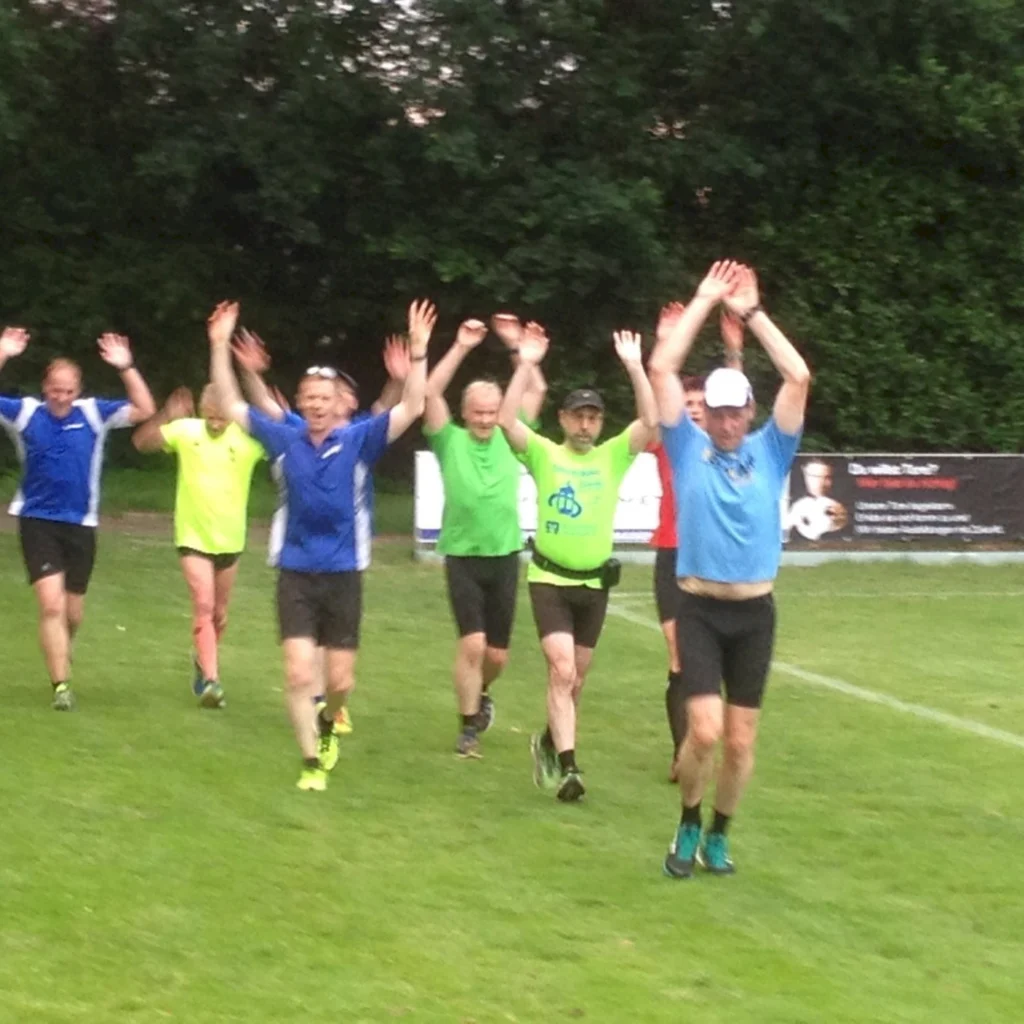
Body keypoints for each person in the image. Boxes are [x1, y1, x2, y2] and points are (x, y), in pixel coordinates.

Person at [208, 298, 436, 792]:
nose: (314, 404)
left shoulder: (360, 440)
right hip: (294, 572)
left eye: (323, 397)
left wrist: (419, 355)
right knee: (296, 674)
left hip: (344, 574)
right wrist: (218, 345)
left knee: (340, 684)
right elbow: (230, 404)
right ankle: (311, 761)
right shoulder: (284, 437)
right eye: (306, 396)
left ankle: (331, 721)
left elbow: (413, 406)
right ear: (299, 401)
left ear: (340, 403)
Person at [649, 261, 810, 878]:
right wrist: (702, 298)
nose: (726, 421)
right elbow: (661, 368)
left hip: (755, 613)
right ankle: (689, 819)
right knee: (707, 733)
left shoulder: (773, 448)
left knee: (742, 743)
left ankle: (720, 833)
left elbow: (798, 375)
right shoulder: (687, 448)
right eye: (716, 412)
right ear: (706, 414)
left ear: (748, 408)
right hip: (700, 609)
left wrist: (753, 313)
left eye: (735, 410)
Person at [499, 323, 658, 802]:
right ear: (563, 420)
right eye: (578, 417)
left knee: (576, 679)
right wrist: (525, 362)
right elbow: (507, 422)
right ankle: (569, 769)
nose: (586, 425)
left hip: (594, 585)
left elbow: (651, 422)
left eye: (593, 417)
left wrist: (635, 367)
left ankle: (549, 740)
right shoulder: (546, 454)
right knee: (562, 671)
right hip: (549, 579)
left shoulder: (612, 458)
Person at [231, 328, 411, 735]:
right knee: (304, 649)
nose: (330, 399)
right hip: (299, 555)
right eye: (316, 394)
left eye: (338, 393)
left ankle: (329, 705)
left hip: (345, 552)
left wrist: (400, 378)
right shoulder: (296, 429)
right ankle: (313, 706)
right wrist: (251, 374)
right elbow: (262, 407)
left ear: (345, 401)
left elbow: (391, 408)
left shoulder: (360, 433)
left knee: (337, 660)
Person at [0, 327, 156, 709]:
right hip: (37, 519)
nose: (61, 397)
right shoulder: (25, 413)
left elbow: (145, 409)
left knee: (71, 612)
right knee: (50, 605)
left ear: (78, 389)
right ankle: (61, 686)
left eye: (68, 390)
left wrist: (126, 367)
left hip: (81, 523)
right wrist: (3, 352)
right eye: (55, 389)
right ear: (45, 386)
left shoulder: (93, 414)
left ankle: (61, 652)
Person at [422, 313, 547, 759]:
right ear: (464, 413)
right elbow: (429, 392)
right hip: (462, 555)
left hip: (504, 555)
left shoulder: (511, 437)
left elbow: (536, 391)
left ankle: (481, 695)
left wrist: (520, 350)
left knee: (497, 656)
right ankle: (467, 729)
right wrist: (460, 346)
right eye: (476, 413)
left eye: (492, 413)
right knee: (472, 643)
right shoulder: (448, 440)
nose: (484, 420)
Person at [650, 303, 745, 782]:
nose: (691, 413)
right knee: (677, 653)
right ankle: (680, 749)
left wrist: (733, 350)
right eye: (684, 406)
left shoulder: (718, 449)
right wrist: (665, 339)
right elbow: (654, 397)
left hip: (711, 562)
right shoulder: (671, 442)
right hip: (672, 555)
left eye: (697, 407)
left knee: (701, 663)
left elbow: (739, 403)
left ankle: (696, 739)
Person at [131, 383, 265, 708]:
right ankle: (212, 682)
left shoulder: (249, 442)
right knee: (203, 607)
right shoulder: (185, 431)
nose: (215, 423)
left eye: (222, 418)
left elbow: (289, 443)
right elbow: (141, 442)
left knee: (219, 614)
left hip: (231, 539)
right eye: (210, 417)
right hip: (192, 537)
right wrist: (166, 415)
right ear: (202, 412)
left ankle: (202, 660)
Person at [787, 458, 847, 540]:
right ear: (804, 472)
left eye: (827, 477)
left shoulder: (842, 506)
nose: (820, 483)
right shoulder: (788, 502)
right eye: (814, 476)